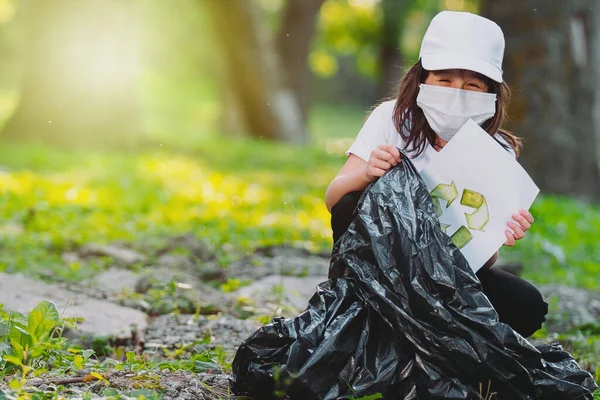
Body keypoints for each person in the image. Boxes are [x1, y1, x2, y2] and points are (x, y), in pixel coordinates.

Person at [325, 10, 548, 338]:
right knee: (352, 203)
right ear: (423, 80)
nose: (457, 95)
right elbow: (335, 201)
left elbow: (481, 262)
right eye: (445, 81)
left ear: (491, 95)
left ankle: (428, 331)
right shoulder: (392, 120)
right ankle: (378, 318)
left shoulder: (495, 150)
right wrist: (367, 174)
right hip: (379, 270)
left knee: (527, 305)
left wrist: (501, 233)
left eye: (472, 86)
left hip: (448, 277)